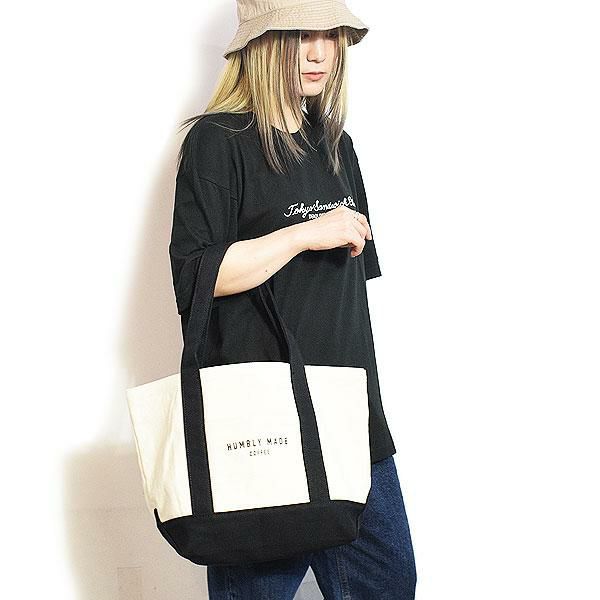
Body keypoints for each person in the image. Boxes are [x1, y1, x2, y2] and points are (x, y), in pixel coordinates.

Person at [168, 1, 417, 598]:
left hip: (350, 418)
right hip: (262, 427)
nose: (319, 52)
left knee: (389, 583)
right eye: (300, 35)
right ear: (262, 44)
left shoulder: (336, 146)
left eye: (330, 35)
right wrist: (304, 234)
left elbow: (346, 298)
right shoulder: (218, 141)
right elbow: (197, 276)